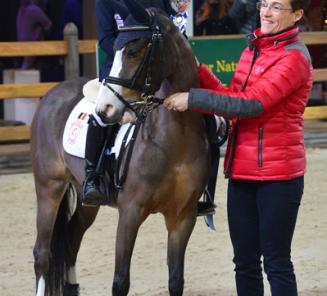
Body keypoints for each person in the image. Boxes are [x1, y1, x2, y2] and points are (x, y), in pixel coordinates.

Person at [164, 0, 313, 294]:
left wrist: (192, 98)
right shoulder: (252, 49)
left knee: (276, 262)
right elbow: (231, 96)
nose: (266, 12)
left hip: (279, 177)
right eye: (264, 4)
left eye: (276, 7)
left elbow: (250, 105)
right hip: (242, 172)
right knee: (244, 262)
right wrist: (197, 68)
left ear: (296, 15)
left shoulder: (294, 57)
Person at [82, 0, 179, 206]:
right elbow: (106, 38)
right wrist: (130, 49)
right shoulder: (106, 3)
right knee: (103, 115)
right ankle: (93, 177)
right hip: (120, 69)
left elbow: (170, 22)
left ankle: (200, 184)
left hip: (153, 65)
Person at [16, 0, 52, 69]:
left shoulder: (20, 10)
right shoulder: (34, 9)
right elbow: (48, 24)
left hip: (20, 46)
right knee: (27, 69)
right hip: (32, 47)